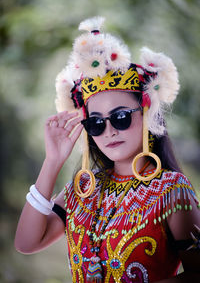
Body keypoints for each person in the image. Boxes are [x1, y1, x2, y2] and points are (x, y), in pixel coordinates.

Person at [15, 17, 200, 283]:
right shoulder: (81, 191)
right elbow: (26, 243)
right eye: (96, 123)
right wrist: (53, 161)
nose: (110, 130)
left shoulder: (172, 191)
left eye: (121, 117)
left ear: (147, 116)